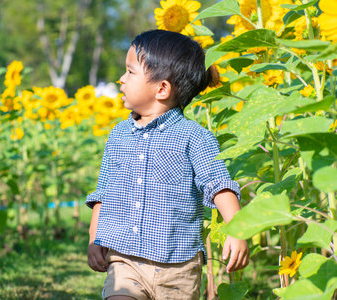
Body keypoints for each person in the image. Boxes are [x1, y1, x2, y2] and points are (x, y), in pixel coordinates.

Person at [85, 29, 249, 300]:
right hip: (124, 261)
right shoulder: (118, 134)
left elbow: (218, 185)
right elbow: (104, 192)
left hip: (178, 268)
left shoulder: (194, 137)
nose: (121, 79)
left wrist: (238, 228)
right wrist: (95, 239)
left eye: (130, 72)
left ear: (162, 89)